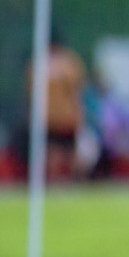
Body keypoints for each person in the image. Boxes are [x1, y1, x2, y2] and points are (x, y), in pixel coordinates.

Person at [26, 32, 86, 181]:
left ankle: (56, 181)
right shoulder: (69, 62)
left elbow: (30, 89)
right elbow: (77, 87)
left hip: (48, 115)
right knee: (66, 151)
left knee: (54, 151)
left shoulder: (38, 63)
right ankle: (69, 181)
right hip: (65, 115)